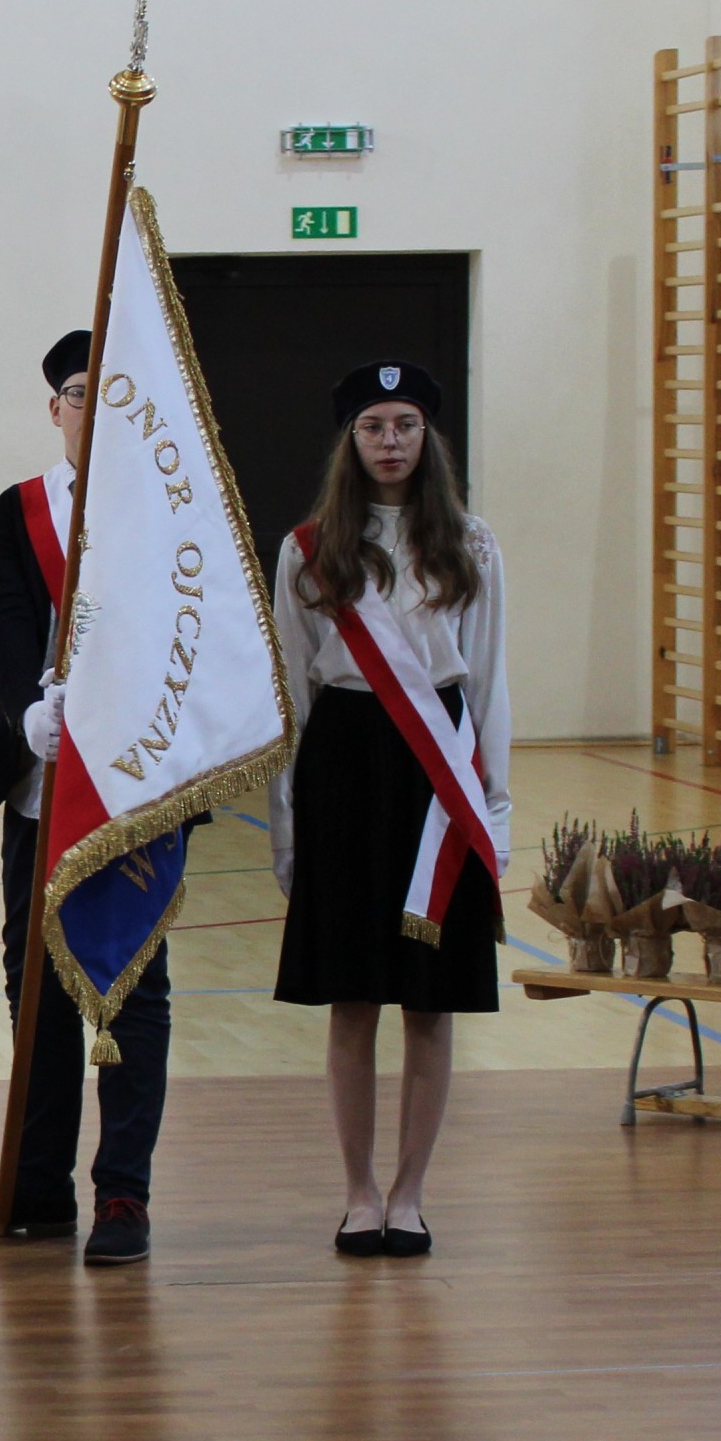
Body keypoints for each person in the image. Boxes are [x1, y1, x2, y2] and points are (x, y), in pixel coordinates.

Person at [0, 328, 178, 1264]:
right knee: (33, 987)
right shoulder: (18, 509)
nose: (90, 406)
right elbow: (5, 620)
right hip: (41, 779)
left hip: (134, 788)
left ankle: (123, 1195)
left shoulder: (170, 510)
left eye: (108, 391)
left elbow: (186, 637)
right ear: (54, 407)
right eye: (77, 391)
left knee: (130, 989)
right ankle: (37, 1182)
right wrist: (26, 709)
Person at [266, 362, 507, 1262]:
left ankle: (410, 1193)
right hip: (344, 763)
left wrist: (495, 812)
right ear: (351, 440)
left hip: (437, 773)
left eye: (406, 424)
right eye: (374, 426)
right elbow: (290, 696)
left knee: (431, 1002)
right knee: (353, 996)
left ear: (427, 437)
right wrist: (287, 829)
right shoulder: (308, 549)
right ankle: (359, 1192)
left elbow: (489, 682)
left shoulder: (471, 545)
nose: (391, 442)